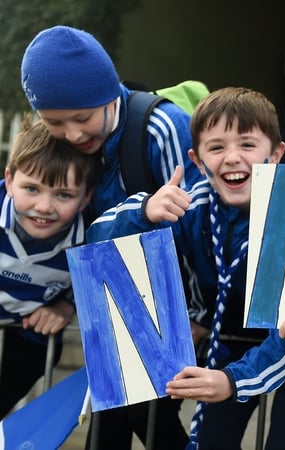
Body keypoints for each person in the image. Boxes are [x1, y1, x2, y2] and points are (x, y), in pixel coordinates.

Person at [86, 86, 285, 449]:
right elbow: (95, 240)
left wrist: (234, 381)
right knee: (203, 438)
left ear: (276, 154)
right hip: (222, 346)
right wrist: (144, 211)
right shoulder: (192, 208)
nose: (232, 158)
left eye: (247, 144)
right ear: (197, 160)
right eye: (217, 147)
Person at [20, 24, 203, 449]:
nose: (73, 134)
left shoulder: (161, 128)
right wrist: (68, 301)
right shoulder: (62, 142)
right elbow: (69, 233)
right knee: (109, 432)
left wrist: (199, 315)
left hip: (174, 307)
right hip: (111, 306)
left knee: (149, 422)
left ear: (109, 95)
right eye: (55, 122)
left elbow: (197, 227)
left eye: (83, 118)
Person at [0, 119, 100, 419]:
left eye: (63, 195)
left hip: (27, 331)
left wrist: (65, 307)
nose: (44, 207)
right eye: (31, 188)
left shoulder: (92, 237)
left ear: (86, 198)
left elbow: (96, 283)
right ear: (9, 180)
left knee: (40, 353)